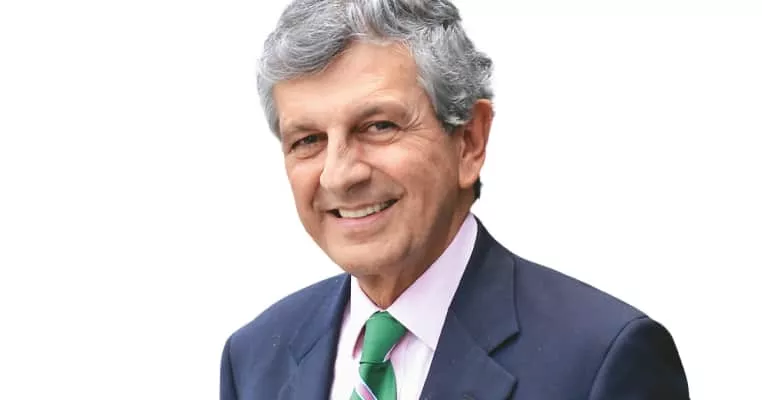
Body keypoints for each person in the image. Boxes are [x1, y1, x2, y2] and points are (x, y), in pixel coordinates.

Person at [220, 0, 690, 399]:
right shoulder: (254, 360)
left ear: (469, 142)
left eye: (379, 126)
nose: (339, 175)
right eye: (307, 140)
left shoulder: (600, 361)